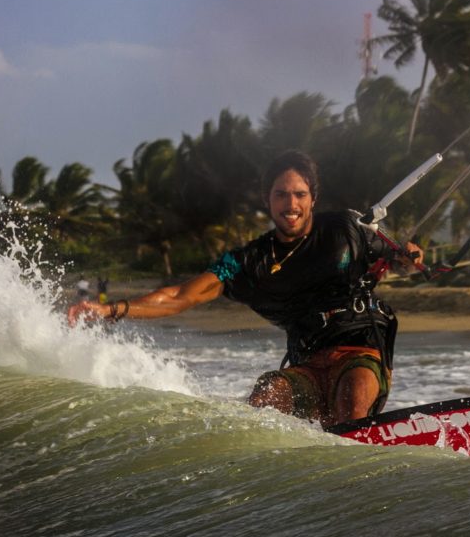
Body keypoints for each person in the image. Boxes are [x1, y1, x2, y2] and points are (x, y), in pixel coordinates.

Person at [68, 150, 421, 428]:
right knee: (268, 394)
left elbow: (399, 260)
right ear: (267, 199)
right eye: (281, 194)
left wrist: (408, 257)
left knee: (353, 397)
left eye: (299, 194)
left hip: (362, 352)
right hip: (308, 365)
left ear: (313, 197)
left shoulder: (345, 228)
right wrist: (109, 310)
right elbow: (180, 296)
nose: (291, 204)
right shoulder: (248, 263)